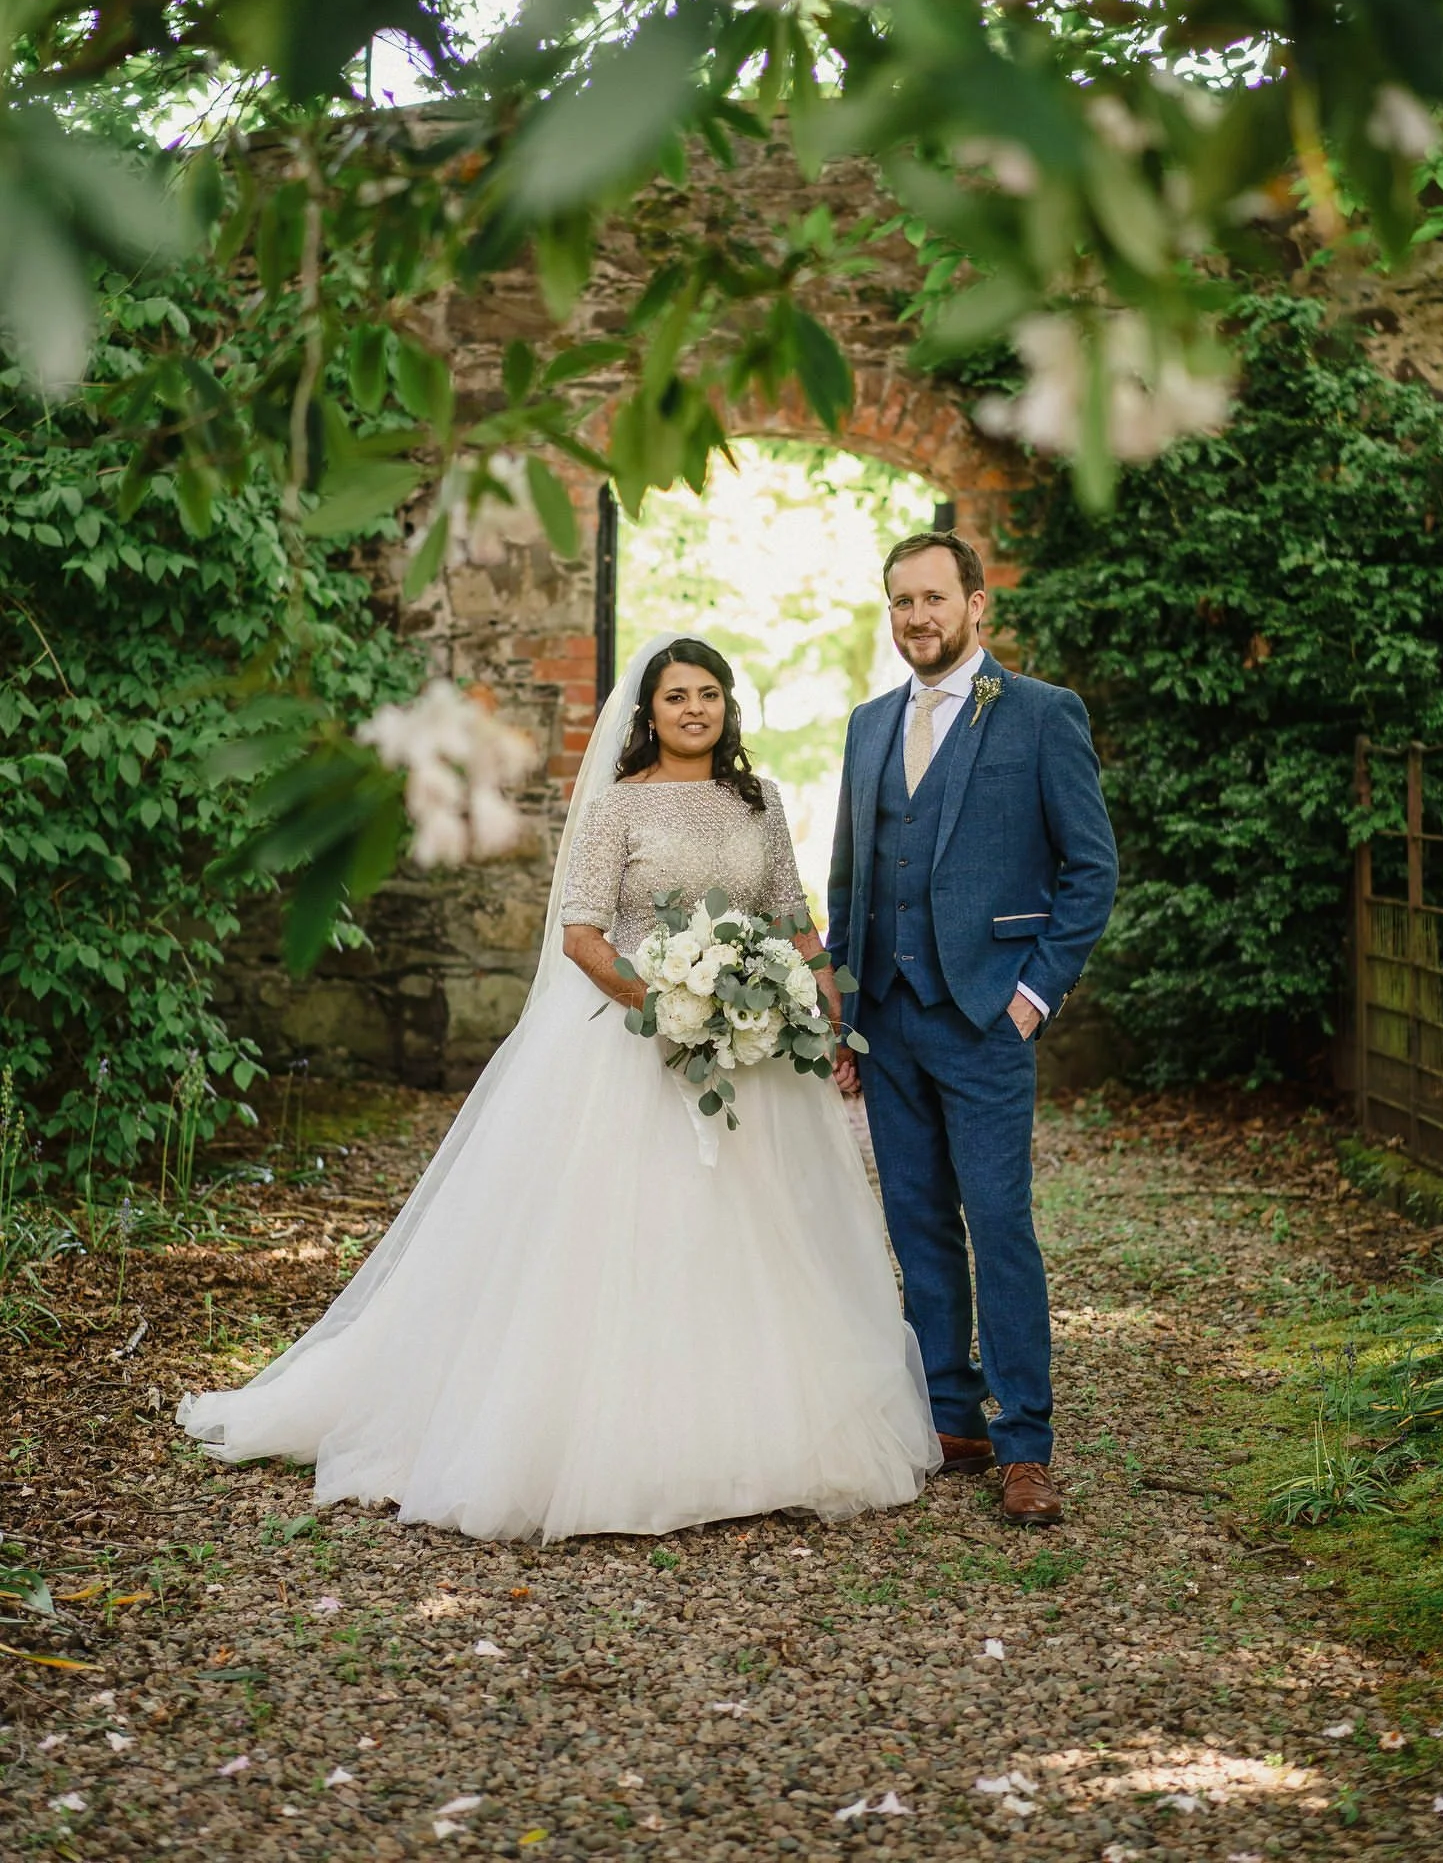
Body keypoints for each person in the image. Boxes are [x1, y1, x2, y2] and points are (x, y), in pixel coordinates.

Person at [178, 634, 938, 1541]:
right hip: (633, 1048)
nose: (693, 710)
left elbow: (789, 914)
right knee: (630, 1231)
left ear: (728, 708)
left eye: (708, 695)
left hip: (752, 1054)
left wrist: (817, 994)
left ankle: (756, 1421)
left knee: (760, 1225)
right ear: (648, 713)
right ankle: (614, 1430)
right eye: (675, 697)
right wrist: (668, 1005)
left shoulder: (759, 801)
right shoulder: (617, 807)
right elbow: (582, 934)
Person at [828, 534, 1117, 1526]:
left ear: (977, 606)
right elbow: (850, 880)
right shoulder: (868, 726)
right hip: (889, 1025)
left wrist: (1034, 997)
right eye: (901, 600)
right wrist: (846, 1010)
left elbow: (1092, 870)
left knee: (999, 1228)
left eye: (935, 598)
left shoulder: (1041, 716)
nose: (918, 616)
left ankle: (1026, 1442)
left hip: (988, 1017)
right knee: (916, 1226)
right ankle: (952, 1416)